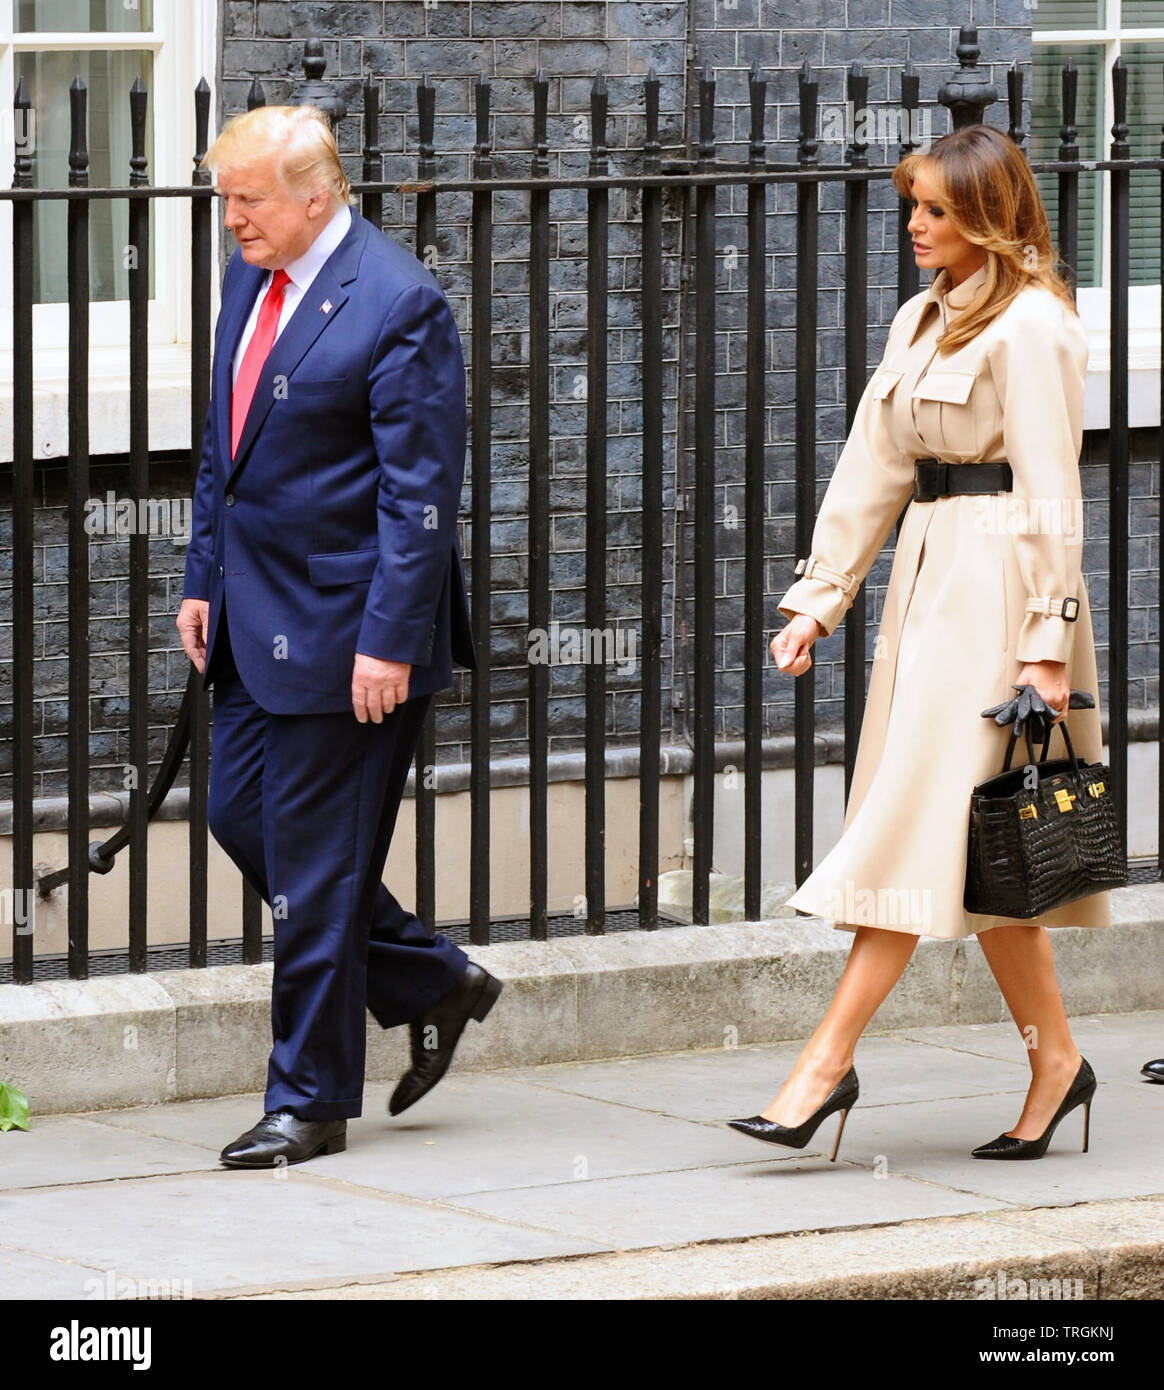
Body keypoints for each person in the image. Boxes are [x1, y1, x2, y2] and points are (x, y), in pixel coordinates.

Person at [728, 123, 1107, 1163]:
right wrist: (817, 598)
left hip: (1003, 597)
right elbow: (872, 467)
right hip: (926, 592)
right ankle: (1058, 1062)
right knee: (991, 857)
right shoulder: (920, 320)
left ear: (989, 215)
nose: (916, 225)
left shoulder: (1034, 327)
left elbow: (1051, 495)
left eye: (937, 209)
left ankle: (822, 1064)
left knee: (914, 827)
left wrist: (1046, 647)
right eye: (915, 205)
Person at [176, 105, 501, 1169]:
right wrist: (201, 579)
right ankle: (428, 977)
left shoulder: (399, 302)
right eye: (224, 199)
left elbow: (419, 497)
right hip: (250, 620)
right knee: (240, 819)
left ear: (316, 196)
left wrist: (387, 642)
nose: (231, 219)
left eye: (248, 199)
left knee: (314, 874)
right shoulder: (251, 278)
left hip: (350, 635)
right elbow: (223, 454)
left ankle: (310, 1100)